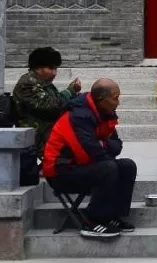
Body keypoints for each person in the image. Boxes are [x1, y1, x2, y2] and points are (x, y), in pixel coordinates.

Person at [42, 78, 138, 239]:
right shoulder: (78, 116)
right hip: (60, 172)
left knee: (127, 166)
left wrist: (102, 144)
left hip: (82, 166)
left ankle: (112, 216)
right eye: (115, 98)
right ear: (101, 99)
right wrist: (104, 146)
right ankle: (92, 220)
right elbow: (89, 152)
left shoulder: (105, 113)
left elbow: (117, 146)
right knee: (108, 168)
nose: (118, 102)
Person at [12, 47, 81, 185]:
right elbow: (49, 106)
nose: (54, 73)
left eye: (55, 68)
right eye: (50, 68)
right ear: (38, 67)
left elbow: (58, 102)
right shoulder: (28, 83)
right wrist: (70, 92)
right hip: (37, 132)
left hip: (48, 128)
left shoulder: (45, 84)